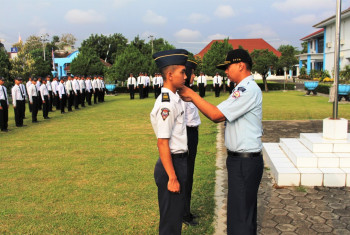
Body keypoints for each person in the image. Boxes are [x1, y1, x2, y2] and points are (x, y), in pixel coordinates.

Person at [179, 49, 263, 235]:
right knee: (239, 214)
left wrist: (193, 95)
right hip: (240, 160)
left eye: (228, 66)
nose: (225, 71)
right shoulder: (241, 88)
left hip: (244, 161)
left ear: (241, 65)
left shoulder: (247, 89)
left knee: (241, 218)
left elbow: (216, 115)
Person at [150, 49, 189, 235]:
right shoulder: (167, 103)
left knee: (175, 217)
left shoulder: (175, 98)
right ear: (170, 74)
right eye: (182, 72)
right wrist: (172, 177)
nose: (186, 75)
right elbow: (162, 143)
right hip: (171, 164)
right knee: (170, 222)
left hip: (178, 161)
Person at [183, 60, 201, 226]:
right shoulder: (180, 94)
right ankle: (183, 213)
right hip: (186, 135)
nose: (194, 75)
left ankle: (186, 211)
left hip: (192, 134)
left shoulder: (188, 91)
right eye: (192, 72)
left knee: (190, 174)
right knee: (186, 175)